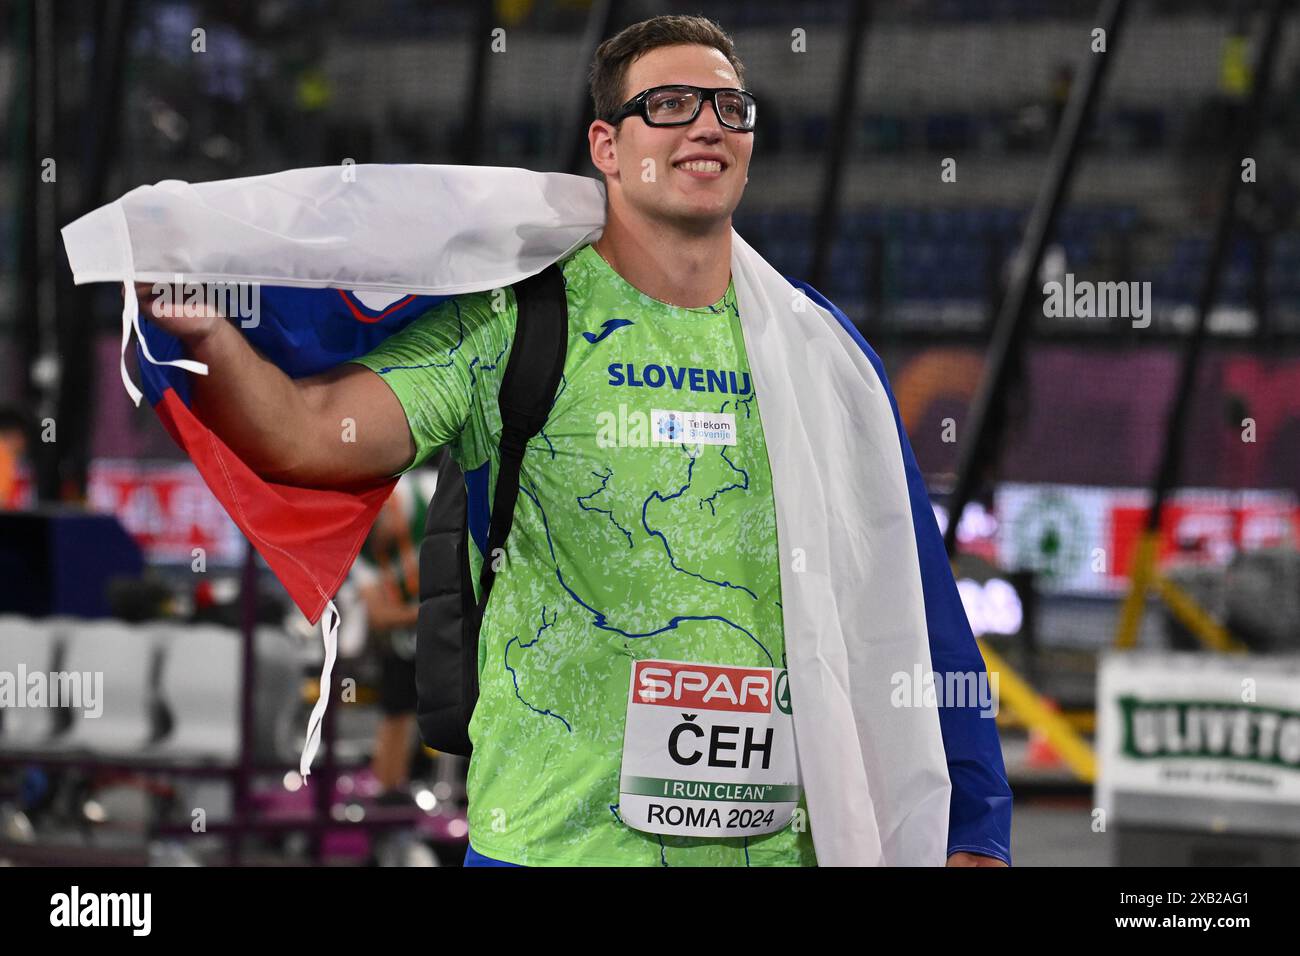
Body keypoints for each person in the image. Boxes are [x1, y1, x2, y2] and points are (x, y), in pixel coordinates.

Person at [135, 15, 1010, 867]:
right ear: (605, 146)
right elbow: (310, 435)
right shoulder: (513, 322)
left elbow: (914, 598)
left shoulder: (821, 351)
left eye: (729, 108)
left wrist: (974, 825)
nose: (707, 124)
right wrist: (209, 337)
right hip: (549, 852)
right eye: (669, 104)